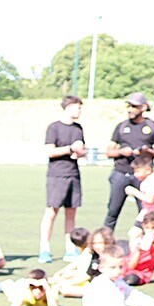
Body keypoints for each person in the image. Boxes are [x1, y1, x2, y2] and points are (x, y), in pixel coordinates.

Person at [104, 93, 154, 230]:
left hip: (143, 177)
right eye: (129, 106)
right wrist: (121, 152)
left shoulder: (152, 126)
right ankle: (106, 239)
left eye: (134, 106)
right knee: (112, 211)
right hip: (121, 173)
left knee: (148, 213)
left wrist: (147, 151)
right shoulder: (121, 127)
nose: (130, 109)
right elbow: (109, 152)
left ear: (143, 107)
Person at [39, 96, 86, 263]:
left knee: (71, 212)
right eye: (78, 107)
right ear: (68, 108)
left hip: (74, 174)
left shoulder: (78, 128)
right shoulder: (54, 128)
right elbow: (50, 151)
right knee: (52, 212)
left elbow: (82, 150)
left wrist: (80, 152)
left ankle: (70, 248)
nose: (80, 111)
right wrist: (70, 149)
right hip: (57, 175)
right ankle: (45, 249)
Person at [81, 244, 154, 306]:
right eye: (112, 267)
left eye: (121, 267)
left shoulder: (118, 281)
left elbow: (134, 295)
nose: (117, 271)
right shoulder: (101, 284)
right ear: (101, 268)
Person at [124, 154, 154, 228]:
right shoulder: (147, 179)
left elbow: (149, 199)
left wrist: (134, 191)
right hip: (147, 212)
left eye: (138, 172)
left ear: (148, 170)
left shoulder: (152, 180)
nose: (135, 174)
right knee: (135, 232)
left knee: (138, 233)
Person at [127, 212, 154, 281]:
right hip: (130, 267)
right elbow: (131, 266)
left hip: (142, 274)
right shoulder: (139, 239)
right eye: (147, 228)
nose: (150, 231)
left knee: (132, 279)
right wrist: (138, 251)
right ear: (143, 226)